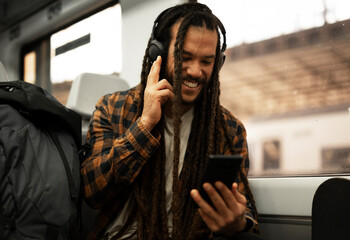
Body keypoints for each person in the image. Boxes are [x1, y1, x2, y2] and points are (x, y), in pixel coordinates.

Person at [81, 2, 261, 240]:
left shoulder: (228, 129)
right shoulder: (112, 108)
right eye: (184, 57)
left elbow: (243, 207)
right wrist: (144, 125)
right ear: (158, 54)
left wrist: (236, 223)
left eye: (206, 61)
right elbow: (92, 192)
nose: (196, 71)